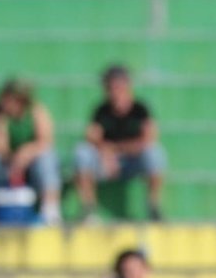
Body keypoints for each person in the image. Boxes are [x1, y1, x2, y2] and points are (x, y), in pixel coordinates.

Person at [72, 65, 168, 223]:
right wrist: (106, 153)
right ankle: (88, 207)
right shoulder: (101, 110)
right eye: (110, 87)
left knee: (155, 153)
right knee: (82, 152)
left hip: (132, 162)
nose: (114, 91)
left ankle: (153, 206)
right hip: (106, 163)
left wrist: (116, 150)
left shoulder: (140, 110)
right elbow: (91, 136)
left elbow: (149, 139)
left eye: (117, 86)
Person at [0, 79, 62, 224]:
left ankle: (51, 209)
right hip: (9, 164)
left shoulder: (36, 112)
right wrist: (13, 159)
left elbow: (45, 141)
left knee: (48, 157)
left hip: (33, 163)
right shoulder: (1, 117)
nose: (2, 101)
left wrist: (26, 153)